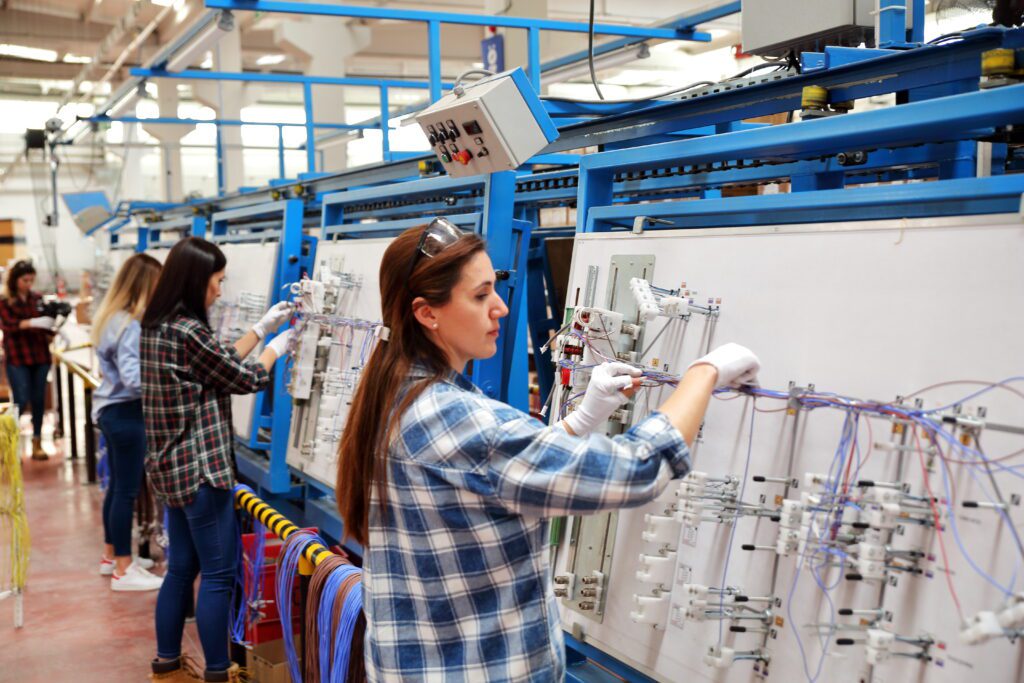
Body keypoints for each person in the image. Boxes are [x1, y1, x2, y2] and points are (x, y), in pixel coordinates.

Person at [336, 220, 761, 681]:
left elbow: (487, 478)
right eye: (479, 296)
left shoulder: (394, 393)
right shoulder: (455, 418)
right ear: (427, 313)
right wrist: (705, 372)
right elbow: (639, 469)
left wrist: (579, 421)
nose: (499, 306)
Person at [140, 237, 294, 683]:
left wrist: (262, 328)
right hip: (202, 474)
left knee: (180, 571)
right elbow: (242, 378)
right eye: (217, 281)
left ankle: (166, 665)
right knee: (220, 575)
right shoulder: (188, 331)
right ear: (196, 280)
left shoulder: (157, 325)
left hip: (171, 471)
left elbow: (217, 363)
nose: (220, 291)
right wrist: (277, 349)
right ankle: (216, 672)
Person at [92, 253, 165, 591]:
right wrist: (167, 378)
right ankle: (123, 569)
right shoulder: (131, 325)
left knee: (117, 489)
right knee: (125, 491)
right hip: (126, 413)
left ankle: (112, 556)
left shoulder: (112, 318)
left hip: (110, 410)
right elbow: (134, 379)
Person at [0, 260, 57, 460]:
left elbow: (48, 327)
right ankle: (10, 445)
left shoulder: (38, 299)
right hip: (18, 357)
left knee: (39, 399)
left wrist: (54, 319)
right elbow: (9, 326)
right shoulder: (5, 301)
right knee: (21, 399)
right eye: (25, 280)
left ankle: (37, 441)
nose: (29, 284)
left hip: (39, 355)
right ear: (15, 280)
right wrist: (33, 322)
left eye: (31, 280)